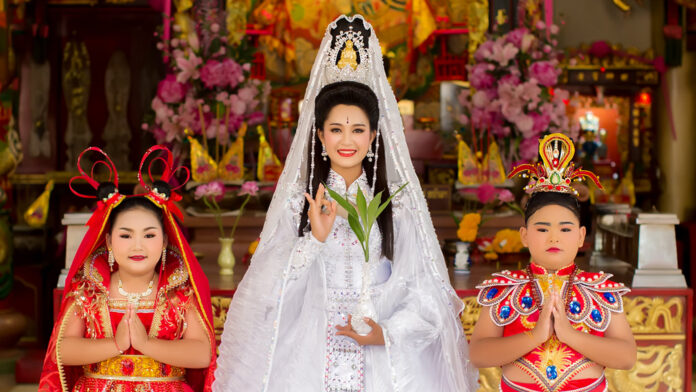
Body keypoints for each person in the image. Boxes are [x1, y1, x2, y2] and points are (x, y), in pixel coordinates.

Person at [213, 14, 477, 392]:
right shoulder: (298, 204)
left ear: (374, 136)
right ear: (320, 135)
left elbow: (427, 293)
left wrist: (385, 332)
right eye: (336, 129)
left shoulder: (396, 207)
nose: (346, 140)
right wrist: (314, 241)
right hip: (308, 355)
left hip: (381, 360)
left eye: (357, 130)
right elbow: (266, 291)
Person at [40, 146, 217, 392]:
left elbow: (201, 354)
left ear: (165, 240)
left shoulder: (179, 292)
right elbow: (63, 350)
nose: (138, 246)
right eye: (126, 236)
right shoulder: (90, 288)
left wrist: (146, 344)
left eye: (149, 235)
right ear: (109, 242)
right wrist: (116, 344)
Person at [469, 134, 636, 392]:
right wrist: (535, 336)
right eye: (543, 229)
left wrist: (569, 335)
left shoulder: (601, 290)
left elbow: (626, 357)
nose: (554, 237)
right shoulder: (502, 289)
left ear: (581, 236)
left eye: (566, 229)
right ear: (524, 235)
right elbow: (478, 353)